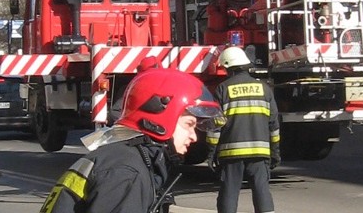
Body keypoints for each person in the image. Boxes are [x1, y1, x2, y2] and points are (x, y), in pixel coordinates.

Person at [39, 67, 225, 213]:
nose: (193, 137)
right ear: (160, 118)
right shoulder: (127, 172)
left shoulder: (123, 158)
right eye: (189, 124)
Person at [207, 46, 280, 213]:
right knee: (262, 190)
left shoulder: (223, 89)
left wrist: (211, 153)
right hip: (260, 152)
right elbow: (274, 126)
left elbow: (215, 126)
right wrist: (275, 153)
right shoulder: (264, 89)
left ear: (228, 67)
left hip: (231, 154)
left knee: (229, 192)